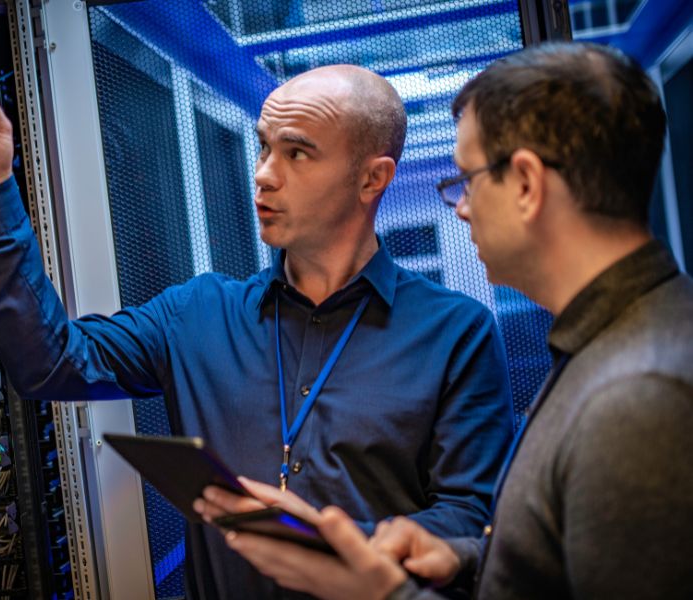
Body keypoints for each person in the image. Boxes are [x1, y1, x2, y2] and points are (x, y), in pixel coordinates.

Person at [0, 58, 514, 599]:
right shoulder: (198, 313)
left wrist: (337, 540)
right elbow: (50, 362)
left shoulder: (456, 333)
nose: (263, 174)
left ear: (372, 179)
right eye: (263, 149)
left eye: (297, 154)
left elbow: (469, 516)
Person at [214, 42, 693, 600]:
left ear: (526, 184)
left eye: (468, 178)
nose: (460, 206)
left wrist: (381, 593)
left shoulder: (640, 396)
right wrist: (465, 557)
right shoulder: (620, 344)